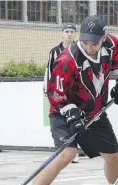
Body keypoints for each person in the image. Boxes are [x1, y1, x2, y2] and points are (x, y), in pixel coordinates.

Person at [12, 15, 118, 185]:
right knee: (67, 154)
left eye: (94, 43)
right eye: (86, 42)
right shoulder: (67, 60)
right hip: (63, 111)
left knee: (114, 156)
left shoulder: (112, 44)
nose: (90, 47)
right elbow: (54, 93)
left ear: (103, 37)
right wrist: (71, 114)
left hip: (94, 112)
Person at [43, 23, 80, 163]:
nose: (69, 34)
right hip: (58, 92)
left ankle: (74, 151)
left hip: (73, 93)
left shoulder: (78, 50)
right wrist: (49, 91)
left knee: (74, 120)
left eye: (71, 31)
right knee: (58, 119)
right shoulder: (54, 52)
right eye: (66, 31)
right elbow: (49, 72)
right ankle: (62, 149)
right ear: (62, 33)